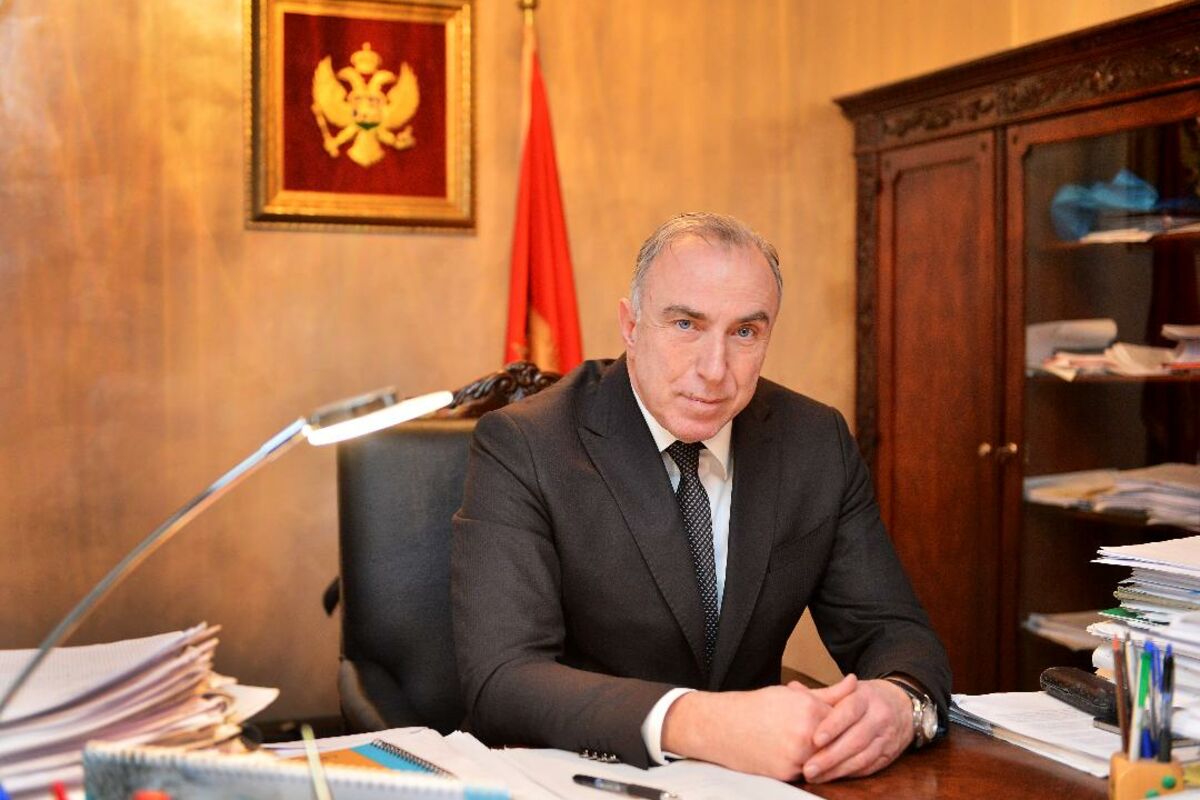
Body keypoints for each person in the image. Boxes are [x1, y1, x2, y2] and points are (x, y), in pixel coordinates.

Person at [451, 212, 950, 783]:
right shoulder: (527, 444)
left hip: (755, 786)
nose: (715, 371)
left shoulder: (815, 441)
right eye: (686, 324)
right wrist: (700, 723)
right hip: (578, 776)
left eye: (745, 333)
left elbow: (894, 632)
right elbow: (503, 680)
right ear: (631, 325)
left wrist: (900, 703)